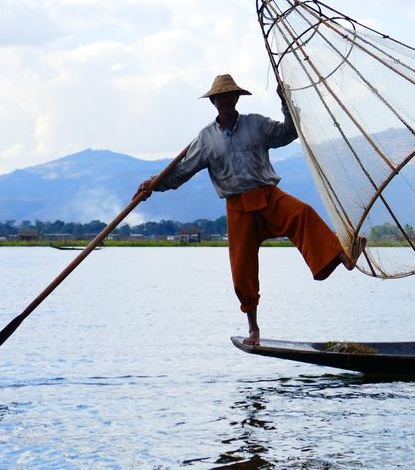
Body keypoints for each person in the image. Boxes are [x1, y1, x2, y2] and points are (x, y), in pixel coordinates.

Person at [136, 74, 364, 346]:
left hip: (267, 196)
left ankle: (344, 257)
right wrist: (154, 184)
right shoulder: (206, 139)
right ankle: (253, 329)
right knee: (242, 271)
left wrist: (285, 103)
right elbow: (182, 172)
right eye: (219, 98)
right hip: (237, 207)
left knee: (302, 213)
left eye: (229, 97)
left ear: (236, 99)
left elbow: (288, 133)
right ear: (214, 103)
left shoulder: (256, 124)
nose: (224, 102)